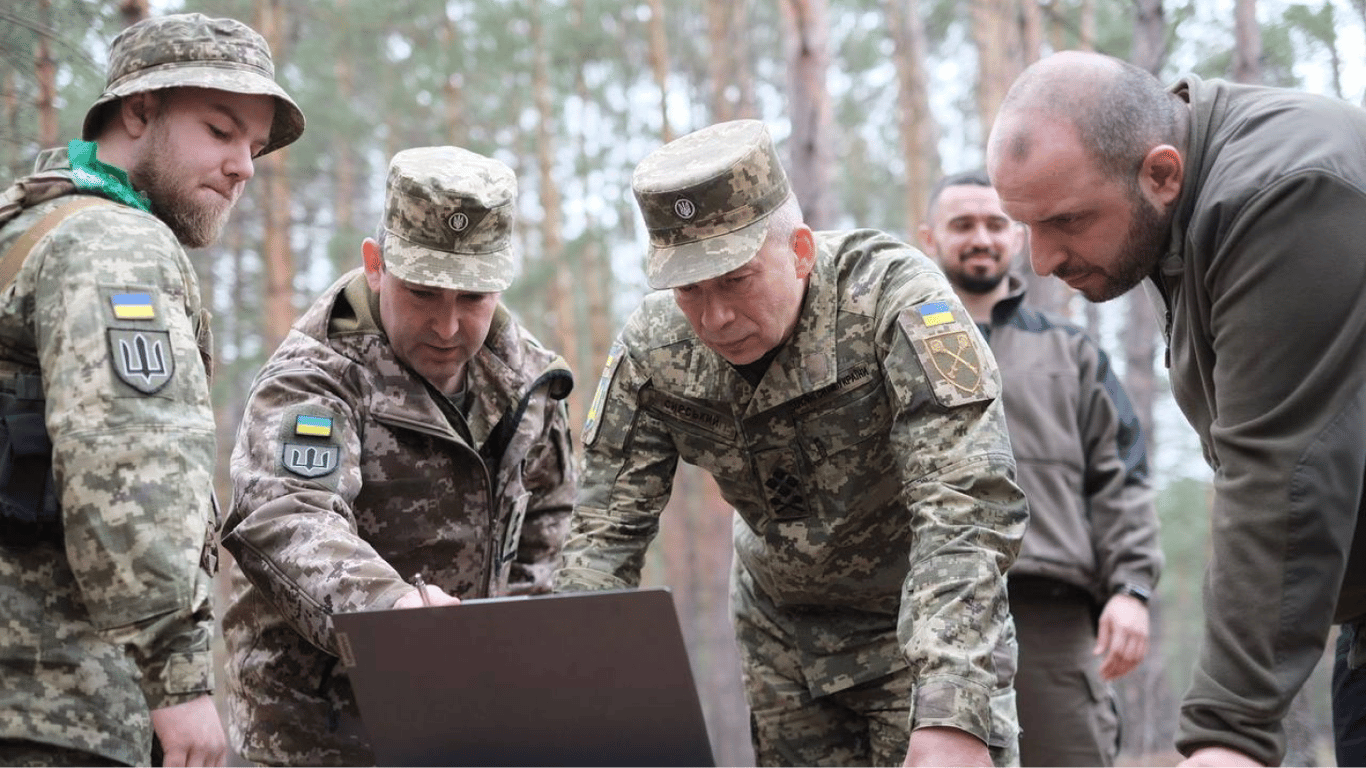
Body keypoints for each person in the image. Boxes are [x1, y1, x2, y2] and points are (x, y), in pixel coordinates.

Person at [555, 119, 1028, 768]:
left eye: (737, 280)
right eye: (690, 289)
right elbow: (605, 533)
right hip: (781, 635)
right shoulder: (655, 346)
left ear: (800, 249)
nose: (716, 318)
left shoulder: (889, 298)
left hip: (922, 626)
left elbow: (965, 501)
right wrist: (568, 699)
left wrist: (951, 704)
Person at [986, 49, 1366, 768]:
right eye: (1026, 226)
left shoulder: (1286, 191)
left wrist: (1229, 733)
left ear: (1161, 173)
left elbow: (1282, 471)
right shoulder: (1183, 209)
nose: (1039, 261)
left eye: (1065, 220)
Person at [0, 12, 304, 768]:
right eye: (219, 129)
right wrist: (176, 683)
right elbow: (126, 465)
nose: (243, 167)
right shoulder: (113, 243)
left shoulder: (26, 227)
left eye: (255, 147)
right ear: (139, 110)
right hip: (59, 706)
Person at [220, 145, 577, 766]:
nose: (446, 326)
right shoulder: (315, 377)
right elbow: (288, 516)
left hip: (470, 726)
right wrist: (391, 610)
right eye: (422, 294)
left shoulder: (528, 381)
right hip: (321, 735)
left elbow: (548, 538)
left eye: (472, 299)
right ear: (376, 264)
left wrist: (528, 678)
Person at [919, 170, 1163, 767]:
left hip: (1051, 617)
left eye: (996, 224)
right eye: (962, 225)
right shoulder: (897, 346)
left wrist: (1130, 589)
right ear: (930, 239)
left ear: (1017, 234)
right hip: (925, 621)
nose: (981, 238)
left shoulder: (1069, 350)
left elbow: (1120, 476)